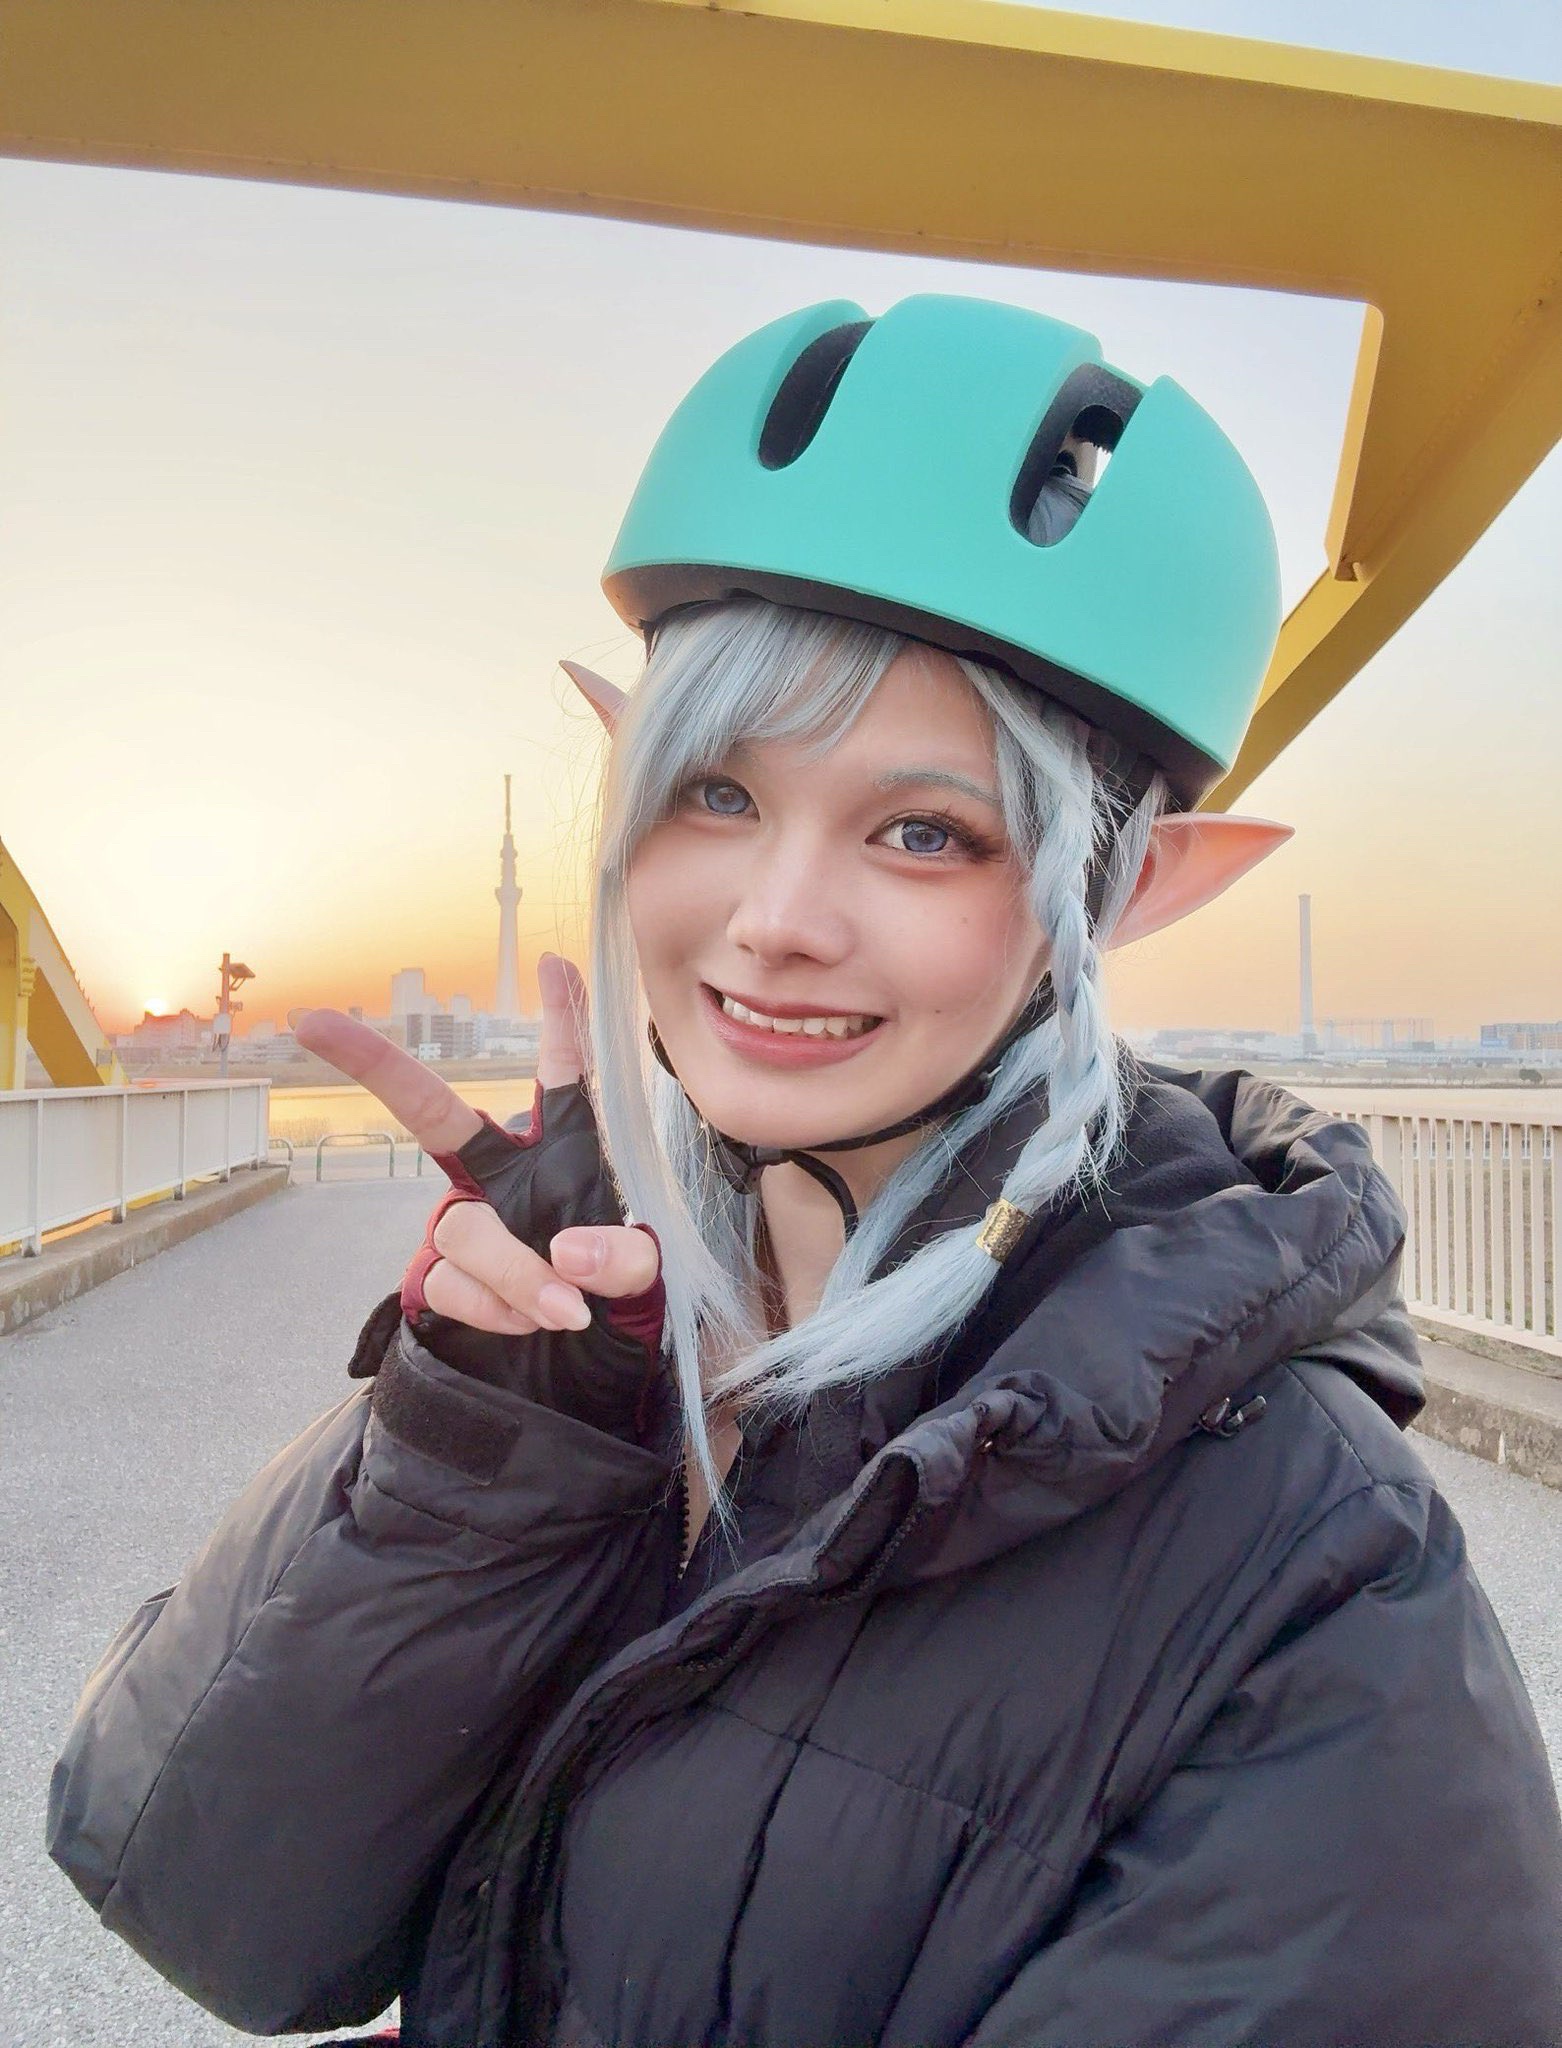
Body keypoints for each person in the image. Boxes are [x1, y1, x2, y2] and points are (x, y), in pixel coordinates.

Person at [47, 294, 1562, 2046]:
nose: (774, 921)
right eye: (714, 792)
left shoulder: (1310, 1564)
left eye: (923, 832)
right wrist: (486, 1443)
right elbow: (220, 1912)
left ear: (1124, 891)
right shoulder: (599, 1313)